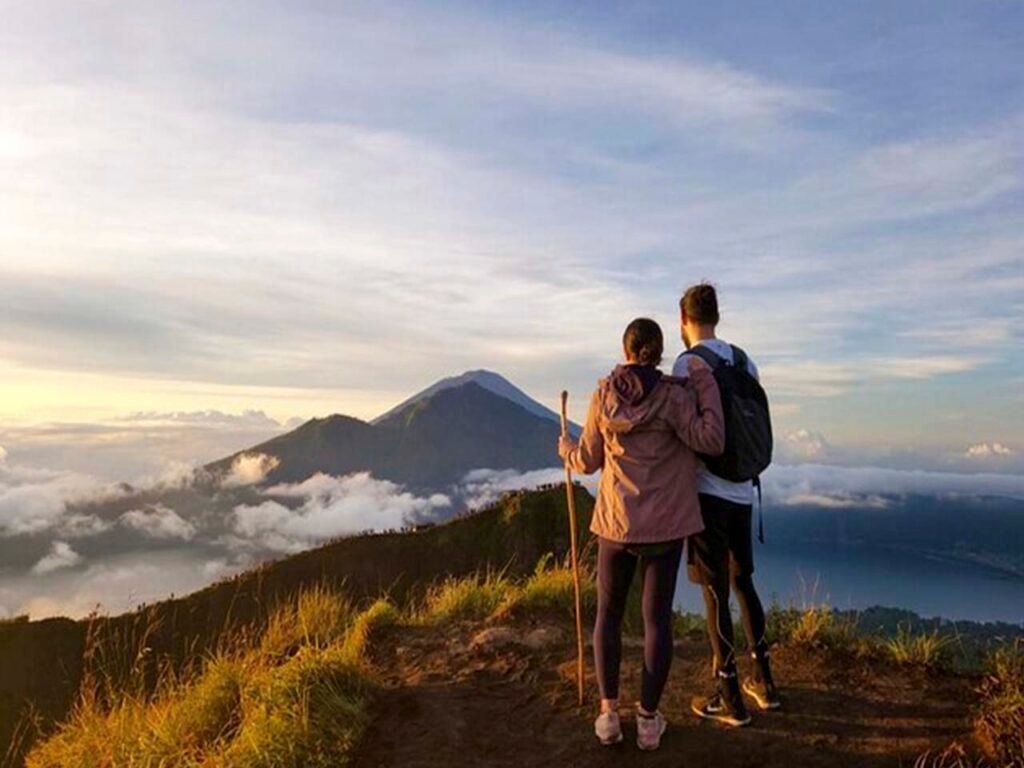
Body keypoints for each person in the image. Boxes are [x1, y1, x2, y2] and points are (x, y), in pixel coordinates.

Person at [558, 317, 724, 751]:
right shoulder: (674, 397)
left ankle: (609, 715)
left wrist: (566, 451)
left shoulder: (604, 395)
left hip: (615, 526)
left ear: (626, 349)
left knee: (608, 618)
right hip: (665, 530)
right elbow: (712, 439)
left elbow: (589, 461)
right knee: (656, 623)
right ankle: (648, 722)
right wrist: (704, 382)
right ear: (660, 350)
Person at [672, 283, 780, 727]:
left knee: (714, 591)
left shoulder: (687, 362)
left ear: (683, 321)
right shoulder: (743, 359)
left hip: (707, 491)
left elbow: (681, 425)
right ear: (717, 315)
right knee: (744, 583)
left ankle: (729, 693)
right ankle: (765, 684)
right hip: (743, 488)